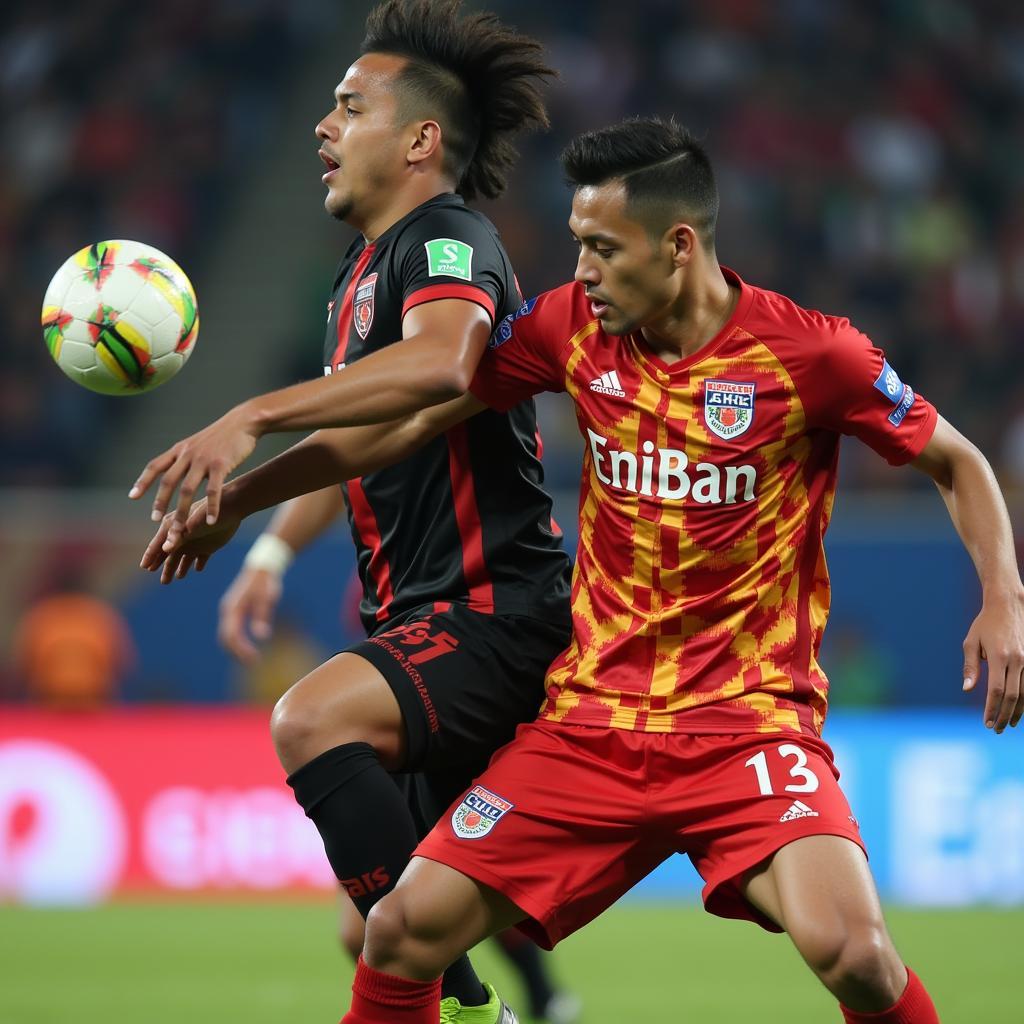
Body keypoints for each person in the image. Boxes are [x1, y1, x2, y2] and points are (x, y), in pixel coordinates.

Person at [144, 116, 1024, 1023]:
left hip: (746, 729)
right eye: (576, 246)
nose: (583, 272)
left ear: (679, 246)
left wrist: (1003, 597)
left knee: (857, 956)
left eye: (603, 249)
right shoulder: (570, 328)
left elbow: (959, 460)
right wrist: (244, 501)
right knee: (398, 932)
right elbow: (408, 424)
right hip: (589, 726)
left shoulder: (814, 355)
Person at [136, 3, 575, 1021]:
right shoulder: (359, 277)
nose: (321, 128)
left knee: (311, 717)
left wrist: (251, 414)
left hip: (493, 610)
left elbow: (443, 363)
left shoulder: (448, 236)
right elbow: (383, 438)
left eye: (348, 107)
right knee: (367, 924)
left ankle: (477, 1010)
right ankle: (484, 998)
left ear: (421, 140)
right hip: (429, 617)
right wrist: (238, 511)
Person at [221, 492, 581, 1024]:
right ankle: (502, 1000)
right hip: (420, 661)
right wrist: (267, 555)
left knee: (311, 721)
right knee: (364, 931)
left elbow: (342, 440)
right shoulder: (381, 563)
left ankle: (499, 1001)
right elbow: (336, 460)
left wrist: (246, 459)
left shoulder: (446, 428)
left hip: (489, 640)